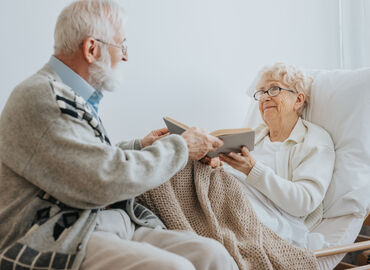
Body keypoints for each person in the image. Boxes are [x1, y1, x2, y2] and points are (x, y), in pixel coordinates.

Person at [0, 1, 239, 269]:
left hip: (102, 221)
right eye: (121, 45)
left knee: (213, 254)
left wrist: (142, 145)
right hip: (57, 233)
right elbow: (102, 180)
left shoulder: (68, 95)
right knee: (175, 267)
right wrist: (181, 146)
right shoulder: (42, 96)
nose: (125, 56)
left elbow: (85, 161)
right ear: (92, 49)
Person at [212, 63, 335, 248]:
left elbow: (303, 202)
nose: (265, 97)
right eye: (261, 92)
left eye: (274, 89)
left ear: (298, 100)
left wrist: (253, 170)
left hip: (274, 219)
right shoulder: (253, 136)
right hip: (229, 200)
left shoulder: (314, 141)